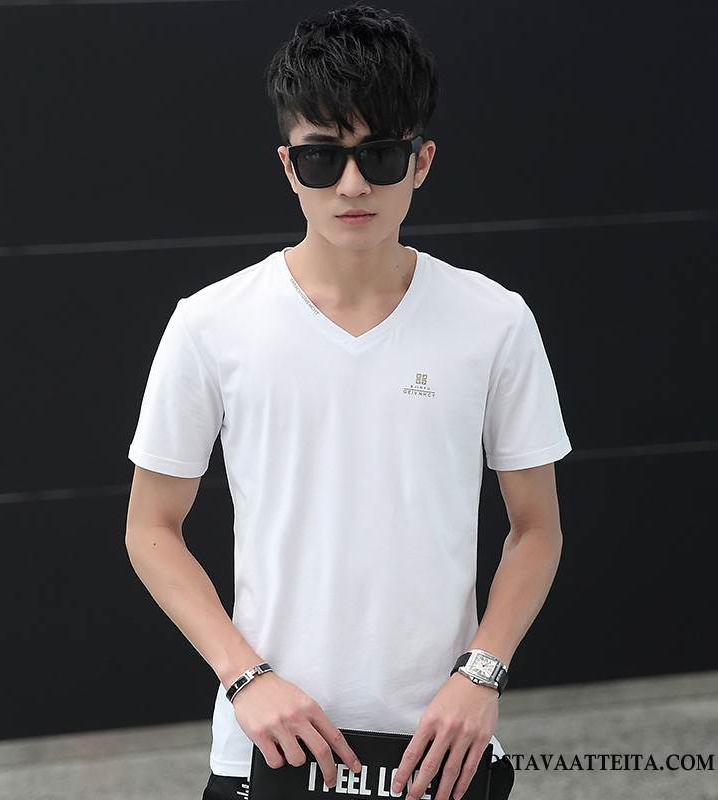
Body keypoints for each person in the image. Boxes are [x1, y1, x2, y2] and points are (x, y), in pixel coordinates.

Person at [125, 5, 572, 800]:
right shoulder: (211, 323)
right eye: (323, 159)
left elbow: (536, 529)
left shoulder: (494, 321)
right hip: (266, 748)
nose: (354, 185)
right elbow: (150, 528)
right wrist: (245, 676)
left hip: (440, 748)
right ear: (288, 165)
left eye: (382, 155)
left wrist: (482, 674)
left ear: (422, 160)